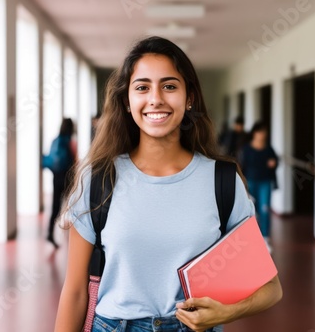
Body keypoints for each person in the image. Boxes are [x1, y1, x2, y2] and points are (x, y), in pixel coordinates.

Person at [54, 37, 282, 332]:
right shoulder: (98, 179)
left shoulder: (222, 180)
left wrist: (223, 313)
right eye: (142, 87)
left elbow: (271, 288)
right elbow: (74, 292)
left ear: (189, 98)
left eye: (170, 86)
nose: (156, 98)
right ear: (127, 101)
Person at [241, 121, 278, 253]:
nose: (262, 135)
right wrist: (242, 185)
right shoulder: (247, 148)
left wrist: (274, 163)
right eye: (259, 132)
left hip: (265, 182)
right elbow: (242, 166)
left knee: (265, 209)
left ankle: (265, 238)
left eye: (264, 132)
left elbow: (275, 160)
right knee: (251, 212)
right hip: (251, 182)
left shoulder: (268, 148)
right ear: (254, 133)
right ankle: (251, 239)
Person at [46, 118, 77, 248]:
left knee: (55, 205)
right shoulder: (70, 142)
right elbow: (74, 161)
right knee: (72, 204)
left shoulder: (55, 140)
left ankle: (50, 233)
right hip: (67, 177)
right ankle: (72, 232)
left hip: (56, 176)